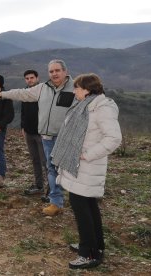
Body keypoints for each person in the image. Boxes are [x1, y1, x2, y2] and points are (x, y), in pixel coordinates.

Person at [0, 59, 74, 216]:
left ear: (65, 71)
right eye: (51, 71)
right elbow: (22, 93)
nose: (54, 74)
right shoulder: (43, 88)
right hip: (47, 138)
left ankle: (83, 199)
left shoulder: (75, 89)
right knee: (52, 170)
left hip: (64, 138)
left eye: (57, 70)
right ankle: (56, 202)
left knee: (69, 170)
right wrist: (1, 94)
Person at [51, 73, 122, 269]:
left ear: (88, 89)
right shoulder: (85, 105)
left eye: (77, 88)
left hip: (86, 166)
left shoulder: (102, 108)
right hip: (78, 168)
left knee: (83, 210)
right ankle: (96, 246)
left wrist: (88, 154)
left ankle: (88, 253)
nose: (74, 91)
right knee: (89, 207)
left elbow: (114, 138)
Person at [20, 70, 47, 196]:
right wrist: (22, 127)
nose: (29, 80)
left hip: (41, 133)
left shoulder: (44, 92)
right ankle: (39, 185)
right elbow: (23, 112)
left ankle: (51, 189)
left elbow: (46, 112)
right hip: (28, 132)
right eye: (27, 78)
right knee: (34, 160)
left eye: (32, 77)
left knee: (45, 161)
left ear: (37, 78)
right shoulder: (25, 93)